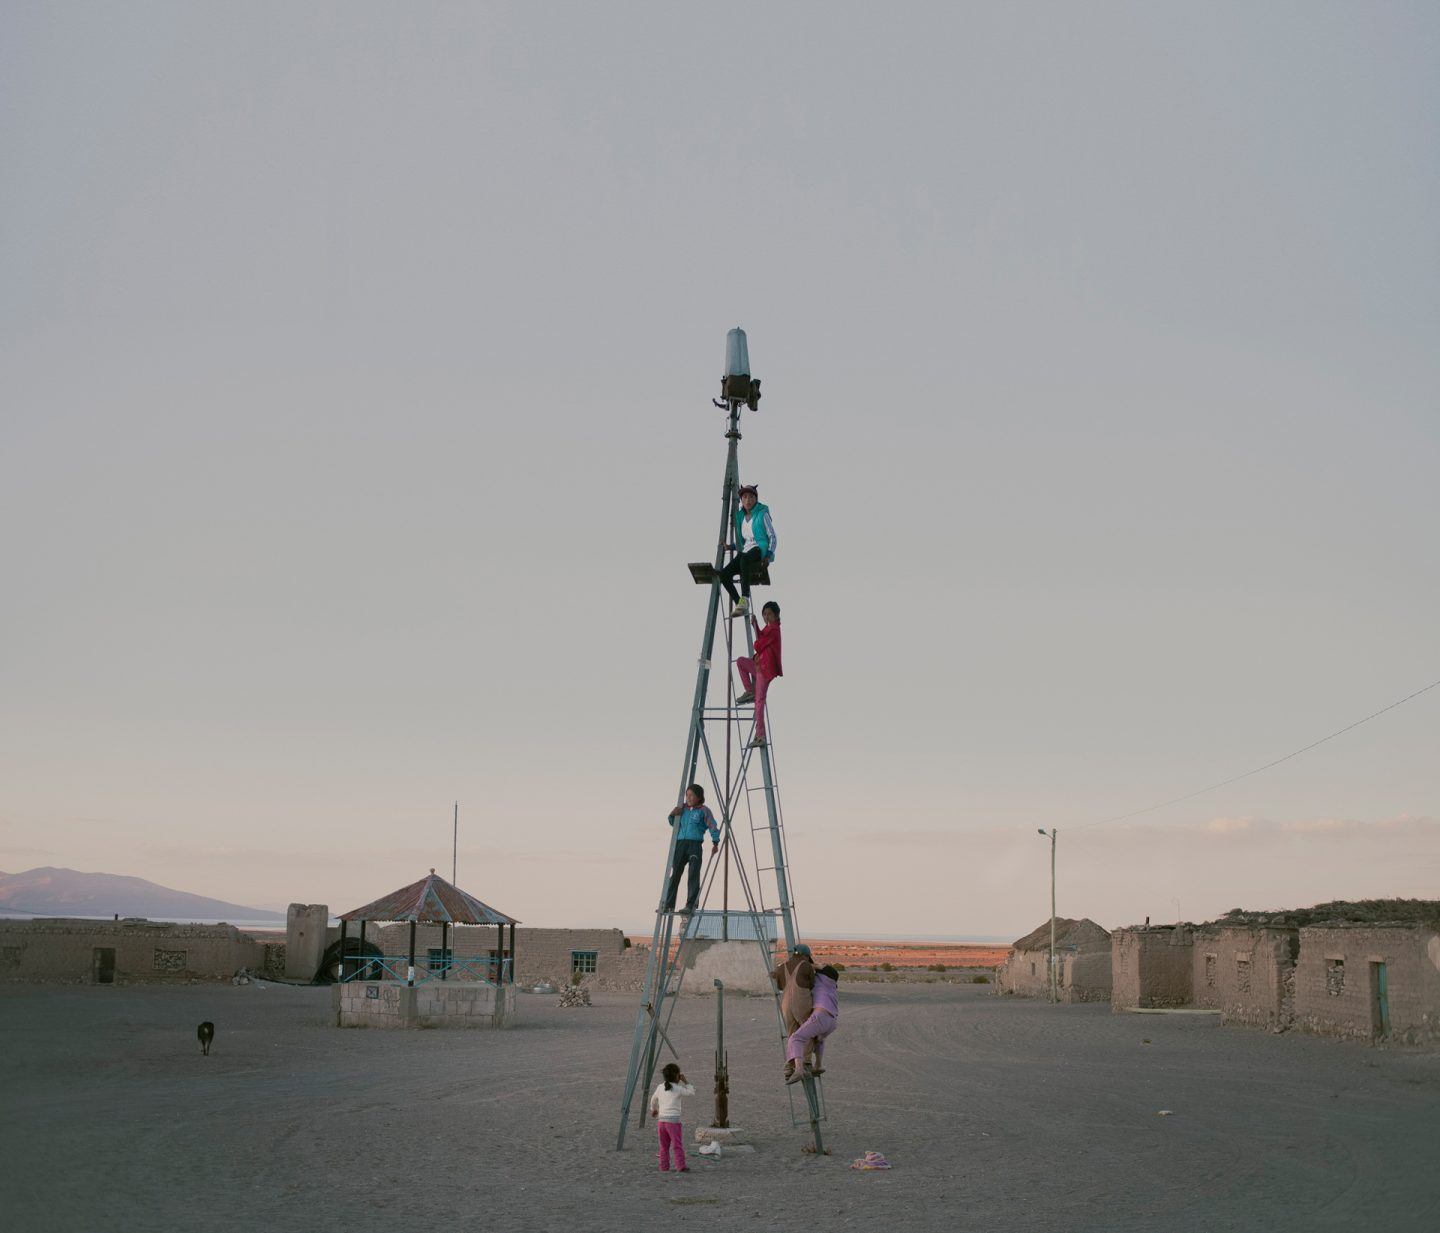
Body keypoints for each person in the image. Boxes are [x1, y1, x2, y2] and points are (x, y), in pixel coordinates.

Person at [719, 485, 776, 618]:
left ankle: (745, 598)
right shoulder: (740, 517)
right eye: (745, 497)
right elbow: (744, 541)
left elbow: (772, 536)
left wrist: (768, 555)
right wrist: (731, 547)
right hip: (746, 550)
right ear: (741, 500)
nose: (748, 500)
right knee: (724, 574)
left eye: (751, 497)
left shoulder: (762, 513)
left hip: (759, 548)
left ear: (756, 499)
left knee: (744, 560)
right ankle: (739, 603)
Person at [663, 784, 721, 913]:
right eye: (687, 795)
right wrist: (672, 815)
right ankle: (668, 904)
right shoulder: (682, 808)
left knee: (693, 875)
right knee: (675, 874)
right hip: (680, 844)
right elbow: (674, 823)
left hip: (694, 845)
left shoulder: (704, 810)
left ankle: (690, 905)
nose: (688, 798)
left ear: (699, 797)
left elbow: (712, 825)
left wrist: (715, 841)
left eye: (691, 795)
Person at [735, 600, 782, 748]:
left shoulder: (774, 630)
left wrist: (757, 640)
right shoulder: (769, 629)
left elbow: (759, 644)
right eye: (764, 614)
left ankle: (760, 735)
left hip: (765, 670)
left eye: (769, 614)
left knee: (759, 701)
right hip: (759, 666)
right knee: (741, 662)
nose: (766, 617)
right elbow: (761, 636)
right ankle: (749, 691)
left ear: (776, 616)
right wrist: (755, 625)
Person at [785, 964, 840, 1083]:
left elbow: (806, 966)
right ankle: (818, 1065)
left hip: (820, 1016)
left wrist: (814, 964)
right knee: (818, 1039)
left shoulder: (820, 980)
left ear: (822, 975)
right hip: (832, 1022)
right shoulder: (832, 985)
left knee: (796, 1038)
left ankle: (799, 1069)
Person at [771, 942, 815, 1082]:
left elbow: (779, 985)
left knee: (792, 1035)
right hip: (801, 1001)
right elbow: (812, 984)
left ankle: (789, 1067)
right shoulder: (806, 966)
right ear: (805, 956)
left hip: (785, 1004)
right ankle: (806, 1064)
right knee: (807, 1031)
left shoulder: (780, 967)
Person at [649, 1062, 695, 1172]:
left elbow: (653, 1099)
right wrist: (686, 1081)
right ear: (677, 1075)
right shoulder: (678, 1089)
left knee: (664, 1146)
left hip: (661, 1122)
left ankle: (664, 1166)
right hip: (673, 1122)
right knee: (677, 1145)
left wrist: (654, 1109)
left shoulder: (660, 1087)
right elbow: (691, 1092)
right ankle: (680, 1166)